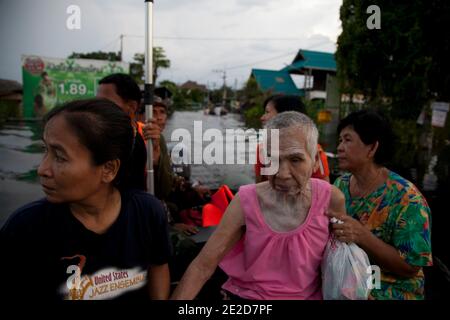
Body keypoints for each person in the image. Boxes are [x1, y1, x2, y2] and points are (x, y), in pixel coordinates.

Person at [0, 99, 171, 300]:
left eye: (60, 157)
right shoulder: (26, 228)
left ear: (109, 169)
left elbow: (158, 267)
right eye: (46, 150)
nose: (42, 170)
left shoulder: (147, 212)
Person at [171, 111, 347, 300]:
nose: (282, 173)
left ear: (315, 162)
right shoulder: (246, 200)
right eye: (272, 159)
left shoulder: (331, 198)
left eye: (295, 160)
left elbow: (339, 260)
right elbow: (202, 266)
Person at [330, 109, 432, 300]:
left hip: (389, 292)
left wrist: (362, 235)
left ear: (372, 148)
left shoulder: (407, 199)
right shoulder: (340, 185)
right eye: (340, 140)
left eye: (348, 140)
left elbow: (411, 266)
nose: (339, 147)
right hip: (346, 287)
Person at [97, 73, 173, 196]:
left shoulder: (150, 138)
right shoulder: (92, 134)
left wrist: (156, 161)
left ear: (131, 107)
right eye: (96, 102)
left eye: (105, 103)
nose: (98, 108)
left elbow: (163, 190)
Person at [256, 94, 330, 182]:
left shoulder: (314, 151)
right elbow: (259, 189)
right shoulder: (262, 149)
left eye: (267, 112)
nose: (262, 118)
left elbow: (323, 191)